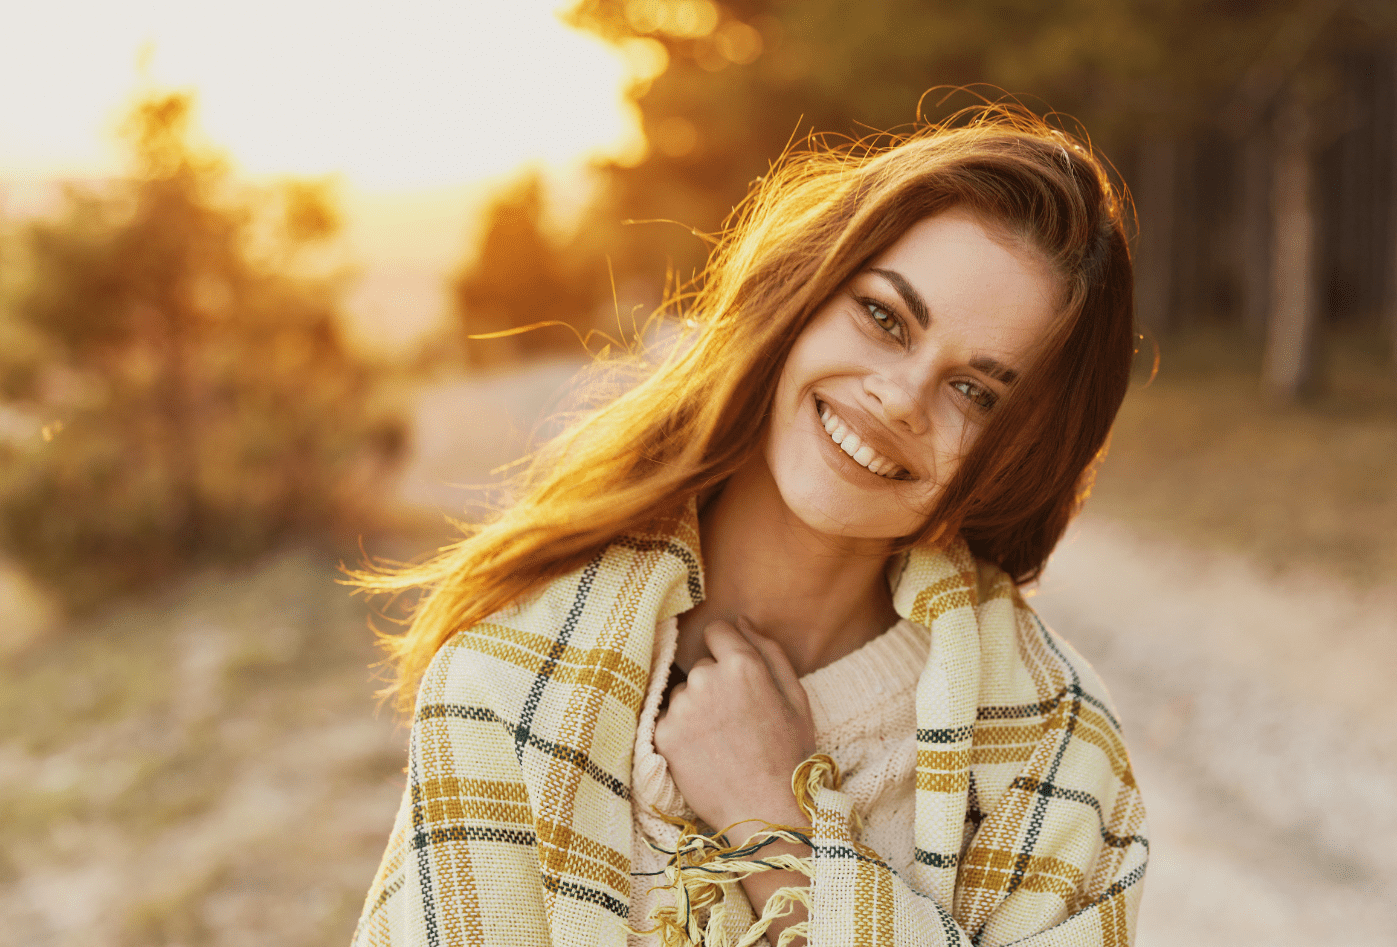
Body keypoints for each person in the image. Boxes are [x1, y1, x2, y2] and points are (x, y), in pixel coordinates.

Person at [351, 107, 1148, 947]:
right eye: (884, 318)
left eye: (976, 393)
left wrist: (781, 832)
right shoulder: (503, 676)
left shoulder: (1059, 756)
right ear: (802, 295)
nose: (900, 398)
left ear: (1019, 456)